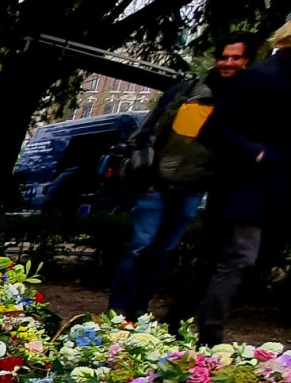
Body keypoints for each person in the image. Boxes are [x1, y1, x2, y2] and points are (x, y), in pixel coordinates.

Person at [108, 35, 253, 316]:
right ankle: (117, 311)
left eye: (236, 58)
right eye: (224, 57)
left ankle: (138, 311)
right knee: (140, 246)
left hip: (194, 187)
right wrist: (145, 174)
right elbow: (149, 131)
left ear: (246, 61)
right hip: (157, 182)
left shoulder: (246, 101)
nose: (228, 63)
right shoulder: (185, 93)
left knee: (163, 252)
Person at [167, 24, 291, 345]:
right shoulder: (260, 77)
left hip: (268, 189)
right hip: (243, 187)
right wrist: (256, 153)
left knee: (213, 259)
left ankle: (174, 322)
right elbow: (212, 128)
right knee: (239, 257)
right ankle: (209, 335)